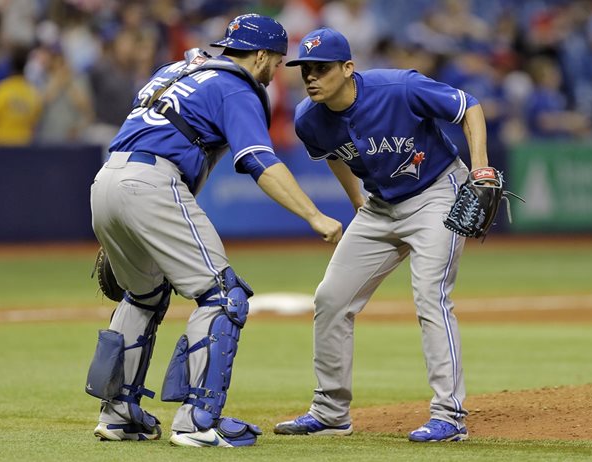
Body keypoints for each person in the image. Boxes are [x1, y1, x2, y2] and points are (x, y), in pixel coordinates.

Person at [85, 14, 342, 449]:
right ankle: (198, 422)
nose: (275, 71)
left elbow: (151, 131)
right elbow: (259, 160)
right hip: (150, 183)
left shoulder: (175, 71)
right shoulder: (236, 86)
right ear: (262, 55)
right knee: (223, 296)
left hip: (106, 179)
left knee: (142, 296)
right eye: (276, 61)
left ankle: (118, 415)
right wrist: (315, 216)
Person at [274, 27, 492, 442]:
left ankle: (449, 416)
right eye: (306, 70)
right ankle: (331, 413)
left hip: (436, 194)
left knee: (430, 295)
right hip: (379, 207)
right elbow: (334, 155)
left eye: (322, 68)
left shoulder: (400, 87)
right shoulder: (308, 119)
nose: (311, 77)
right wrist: (358, 203)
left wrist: (479, 168)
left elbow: (469, 107)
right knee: (331, 298)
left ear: (348, 68)